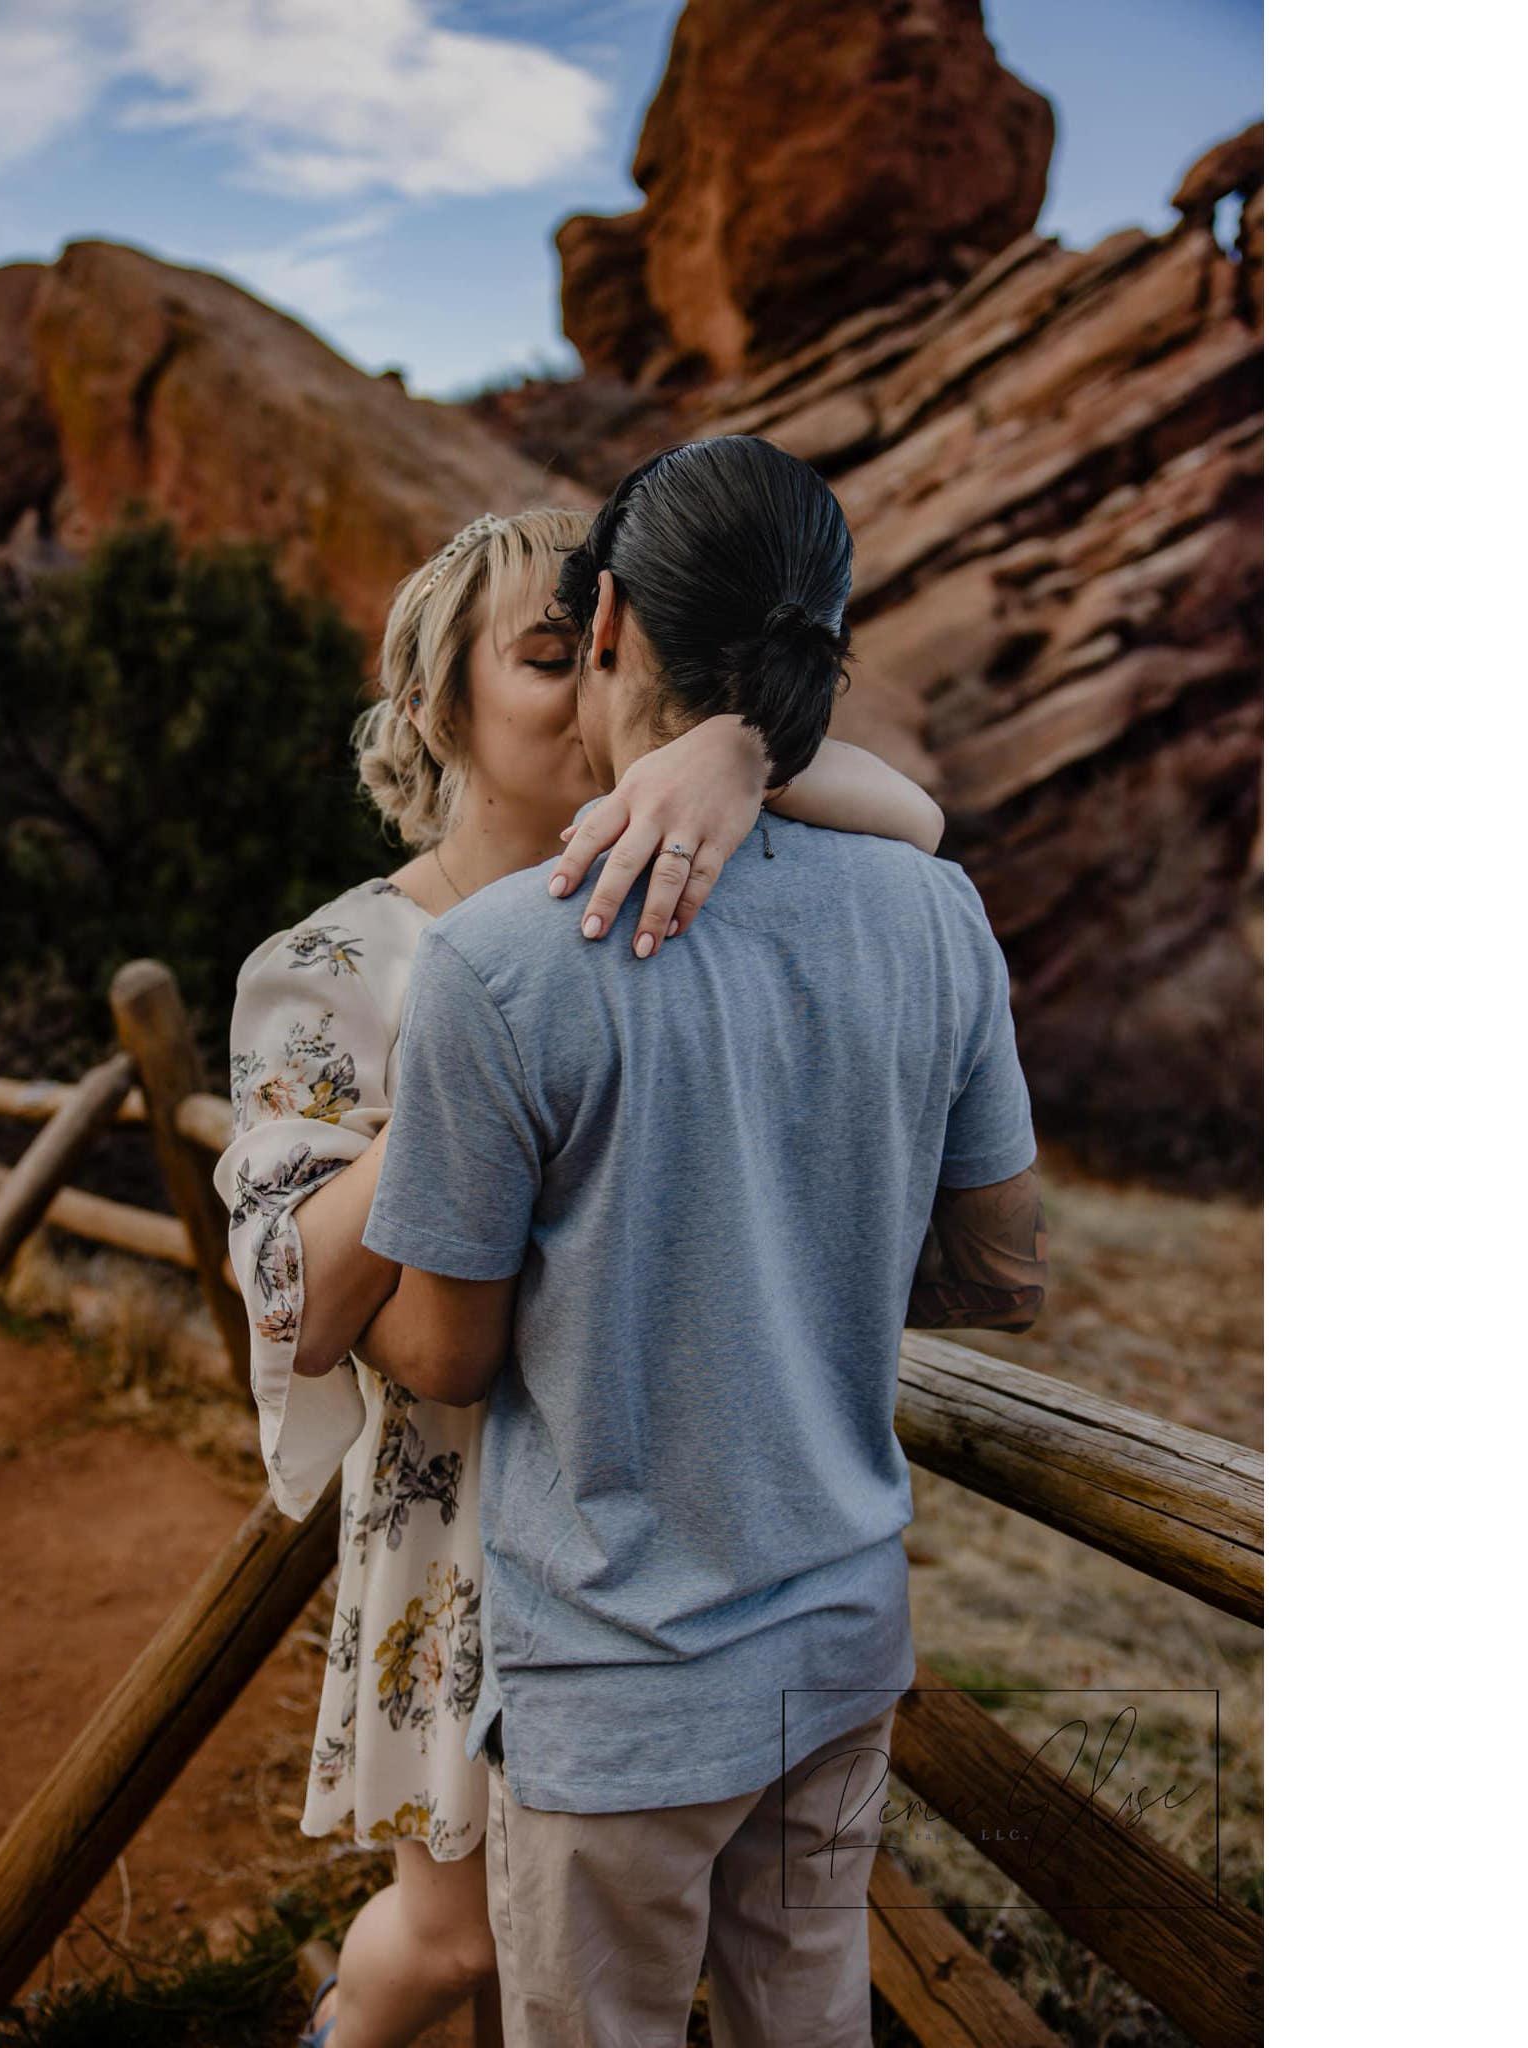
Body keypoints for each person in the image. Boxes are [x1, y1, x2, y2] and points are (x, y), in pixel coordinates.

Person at [211, 502, 950, 2048]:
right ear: (440, 707)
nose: (593, 690)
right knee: (460, 1939)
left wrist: (734, 754)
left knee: (605, 1947)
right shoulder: (333, 967)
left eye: (605, 653)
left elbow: (919, 822)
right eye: (546, 658)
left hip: (675, 1517)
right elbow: (299, 1297)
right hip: (472, 1514)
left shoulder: (668, 882)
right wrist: (470, 1064)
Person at [349, 437, 1049, 2047]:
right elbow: (1004, 1274)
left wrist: (344, 1279)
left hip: (620, 1688)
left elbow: (447, 1353)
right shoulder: (936, 911)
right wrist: (803, 1258)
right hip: (841, 1640)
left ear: (605, 627)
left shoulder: (501, 962)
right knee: (811, 2019)